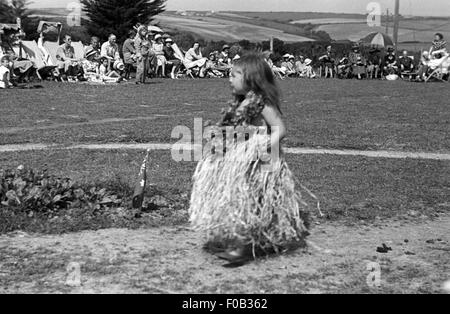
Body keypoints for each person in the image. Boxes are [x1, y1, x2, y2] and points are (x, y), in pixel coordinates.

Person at [189, 53, 311, 263]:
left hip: (261, 162)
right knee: (242, 200)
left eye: (235, 75)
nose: (230, 78)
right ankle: (259, 241)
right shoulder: (240, 104)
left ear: (251, 78)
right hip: (241, 160)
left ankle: (241, 247)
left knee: (249, 201)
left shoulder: (262, 104)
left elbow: (280, 130)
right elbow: (234, 129)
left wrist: (262, 148)